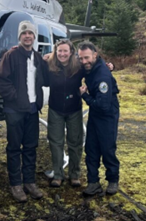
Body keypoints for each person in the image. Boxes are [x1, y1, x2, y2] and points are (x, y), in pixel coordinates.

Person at [0, 20, 48, 203]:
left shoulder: (38, 57)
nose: (27, 36)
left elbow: (47, 77)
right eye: (24, 33)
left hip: (33, 110)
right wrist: (16, 97)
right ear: (20, 36)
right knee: (14, 148)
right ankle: (16, 184)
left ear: (34, 37)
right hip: (15, 110)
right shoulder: (10, 56)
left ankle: (30, 182)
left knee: (31, 147)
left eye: (31, 33)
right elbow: (2, 81)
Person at [78, 41, 120, 196]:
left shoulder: (102, 75)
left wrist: (85, 96)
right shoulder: (91, 66)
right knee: (91, 147)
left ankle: (113, 180)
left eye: (87, 58)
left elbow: (103, 105)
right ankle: (93, 182)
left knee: (107, 148)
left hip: (107, 112)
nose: (84, 62)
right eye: (81, 58)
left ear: (95, 55)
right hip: (96, 110)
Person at [46, 39, 84, 188]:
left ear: (71, 52)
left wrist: (110, 66)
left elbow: (94, 63)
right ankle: (58, 174)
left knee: (75, 142)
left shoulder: (79, 66)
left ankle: (74, 175)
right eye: (59, 51)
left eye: (65, 51)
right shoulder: (49, 65)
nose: (62, 54)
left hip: (74, 108)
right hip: (55, 109)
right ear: (56, 52)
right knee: (56, 142)